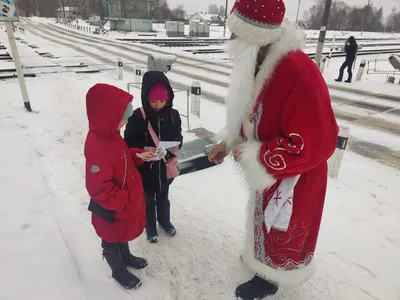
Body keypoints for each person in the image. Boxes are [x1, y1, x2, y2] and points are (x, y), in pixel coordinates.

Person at [208, 0, 339, 299]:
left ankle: (270, 276)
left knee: (281, 228)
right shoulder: (257, 59)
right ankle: (259, 257)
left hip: (296, 177)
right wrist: (229, 142)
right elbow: (250, 114)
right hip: (270, 172)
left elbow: (316, 143)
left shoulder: (299, 73)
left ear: (256, 36)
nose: (230, 41)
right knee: (262, 221)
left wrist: (257, 156)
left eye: (235, 34)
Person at [84, 83, 155, 290]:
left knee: (121, 235)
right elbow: (97, 188)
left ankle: (127, 257)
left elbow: (122, 158)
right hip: (110, 210)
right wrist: (124, 200)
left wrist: (138, 155)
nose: (125, 122)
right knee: (111, 241)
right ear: (107, 116)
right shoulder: (98, 146)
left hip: (121, 208)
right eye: (122, 117)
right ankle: (118, 271)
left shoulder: (112, 135)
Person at [124, 71, 183, 244]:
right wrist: (143, 150)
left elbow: (178, 138)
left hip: (165, 167)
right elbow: (128, 141)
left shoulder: (173, 115)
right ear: (146, 98)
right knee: (148, 200)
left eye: (162, 101)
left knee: (163, 197)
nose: (158, 105)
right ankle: (149, 226)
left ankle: (164, 221)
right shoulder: (138, 116)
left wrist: (174, 147)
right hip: (145, 169)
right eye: (153, 101)